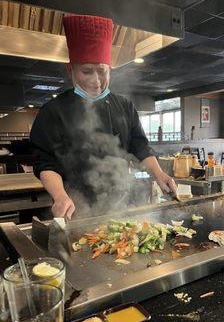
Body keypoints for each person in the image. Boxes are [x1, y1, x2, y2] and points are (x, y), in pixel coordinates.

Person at [30, 14, 176, 219]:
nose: (96, 80)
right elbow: (45, 162)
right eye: (87, 71)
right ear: (70, 69)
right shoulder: (53, 111)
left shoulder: (124, 106)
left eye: (101, 70)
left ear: (110, 70)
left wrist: (159, 174)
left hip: (121, 205)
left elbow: (140, 147)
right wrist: (60, 196)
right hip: (75, 207)